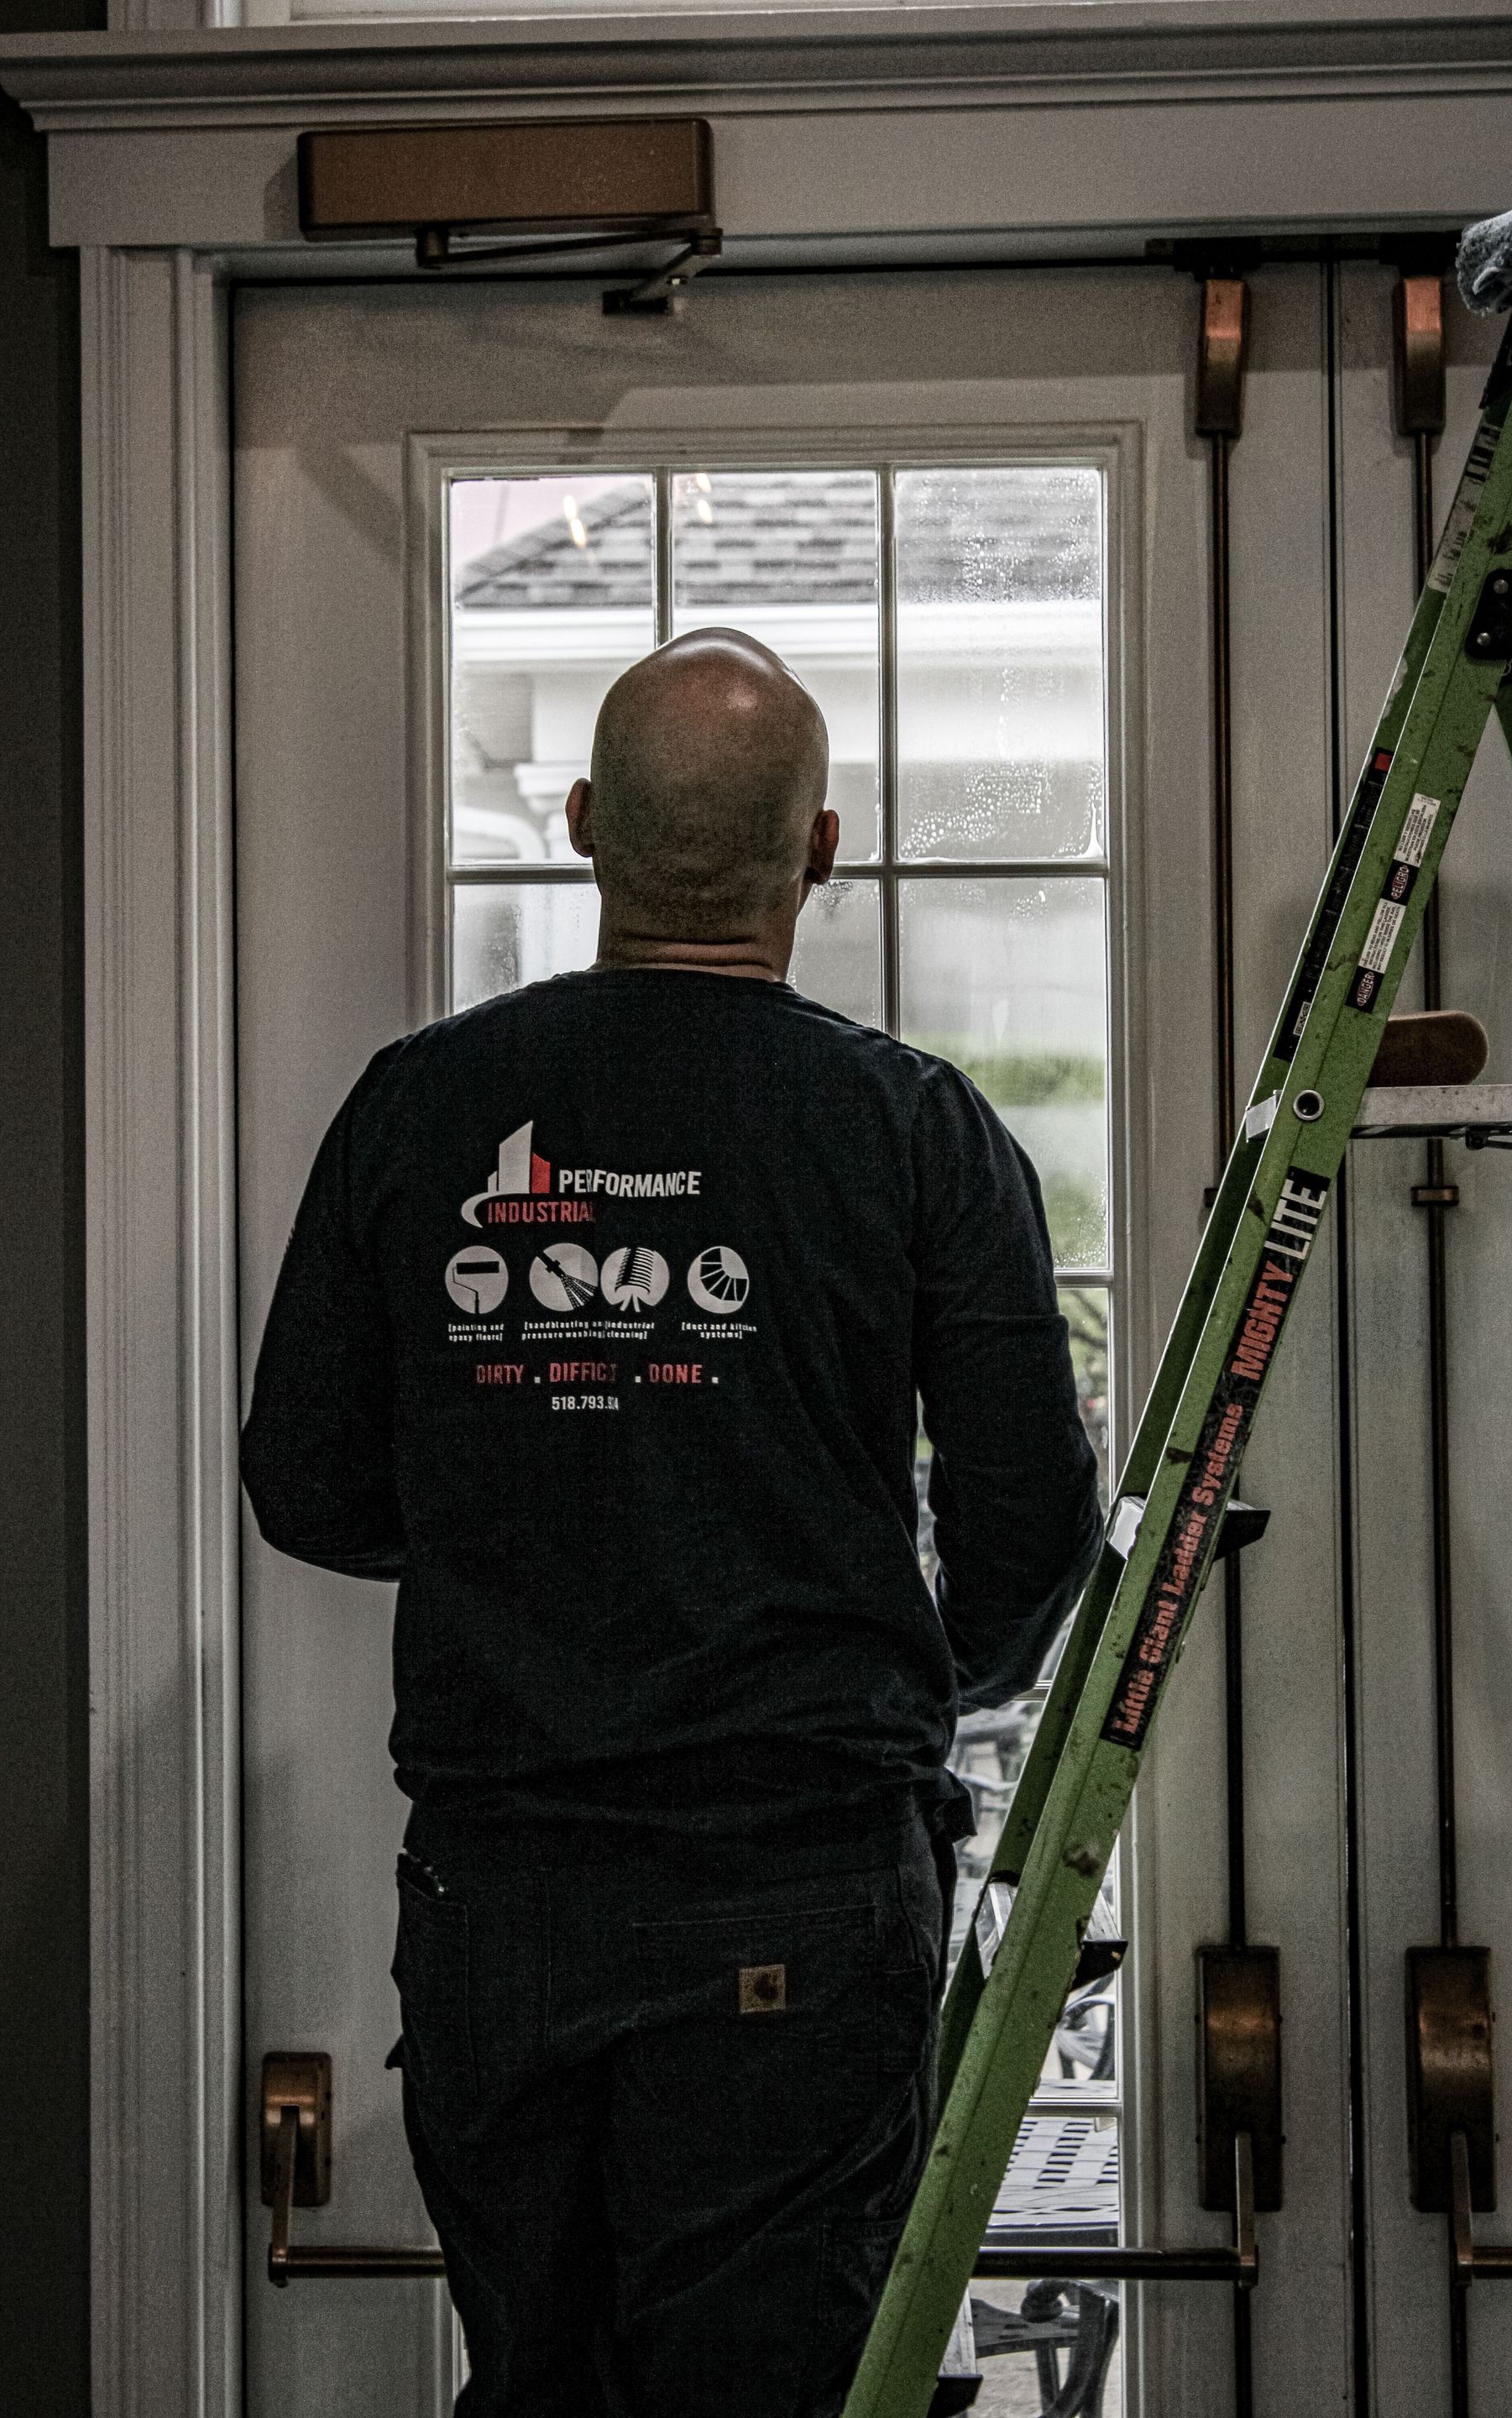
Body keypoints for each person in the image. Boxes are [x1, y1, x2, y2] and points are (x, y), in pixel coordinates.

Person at [241, 629, 1104, 2418]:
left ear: (577, 825)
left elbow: (307, 1486)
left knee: (542, 2386)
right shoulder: (912, 1127)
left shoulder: (421, 1106)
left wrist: (534, 1517)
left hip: (503, 1899)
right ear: (822, 848)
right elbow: (1033, 1525)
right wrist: (892, 1681)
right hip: (796, 1869)